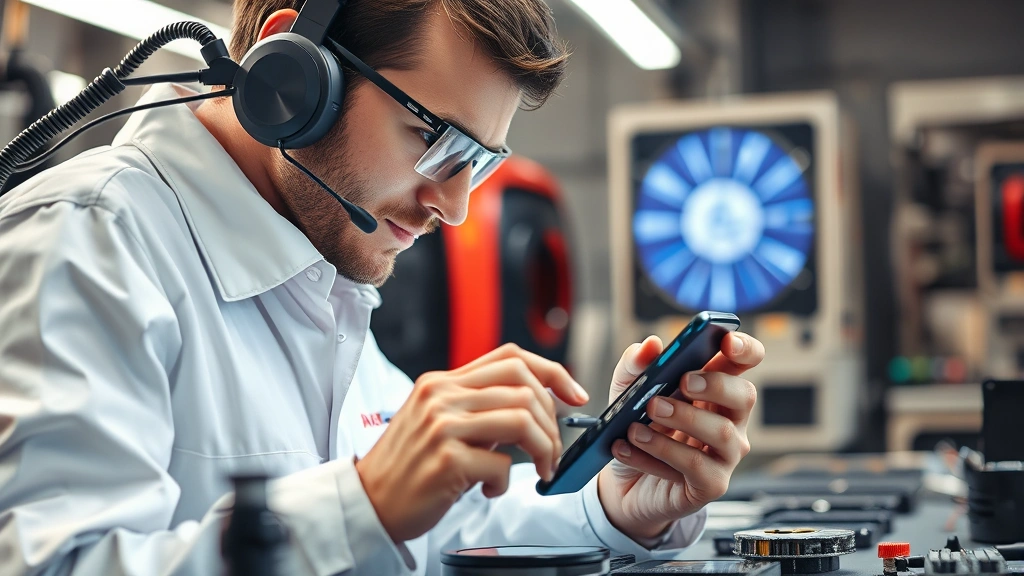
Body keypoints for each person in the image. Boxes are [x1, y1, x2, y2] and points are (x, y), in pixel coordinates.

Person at [0, 0, 764, 574]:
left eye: (482, 160)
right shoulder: (85, 241)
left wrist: (616, 507)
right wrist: (361, 504)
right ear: (290, 74)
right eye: (435, 139)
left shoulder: (320, 278)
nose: (457, 205)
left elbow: (441, 537)